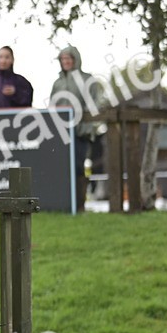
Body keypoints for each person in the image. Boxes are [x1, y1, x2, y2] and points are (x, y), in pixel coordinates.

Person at [49, 45, 105, 212]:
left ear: (75, 60)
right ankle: (62, 204)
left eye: (68, 58)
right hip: (61, 133)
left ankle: (79, 204)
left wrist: (87, 128)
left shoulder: (87, 80)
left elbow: (94, 105)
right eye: (63, 59)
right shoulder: (58, 83)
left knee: (79, 167)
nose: (65, 62)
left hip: (81, 133)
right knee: (61, 167)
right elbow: (52, 107)